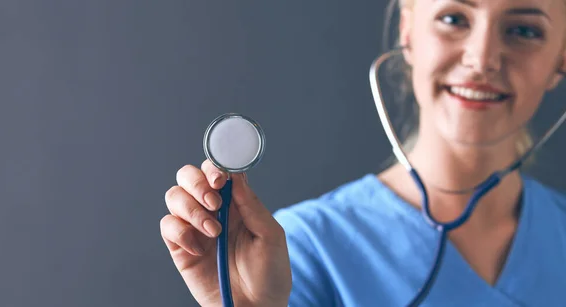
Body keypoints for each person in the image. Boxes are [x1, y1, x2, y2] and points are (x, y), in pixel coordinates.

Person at [160, 0, 566, 305]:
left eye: (524, 31)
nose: (482, 60)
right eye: (453, 19)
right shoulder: (298, 249)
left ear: (560, 60)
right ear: (408, 31)